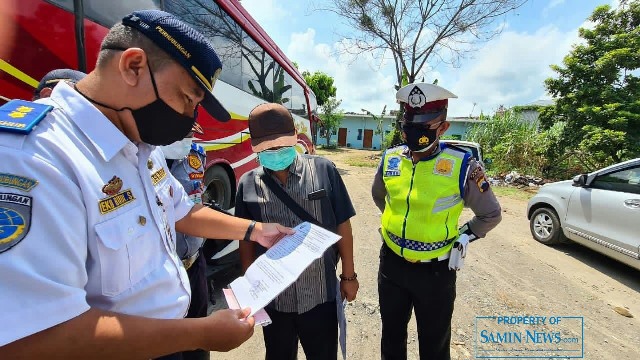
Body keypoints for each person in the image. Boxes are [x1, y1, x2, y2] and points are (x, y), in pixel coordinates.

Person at [0, 10, 294, 360]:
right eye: (187, 98)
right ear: (133, 66)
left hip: (171, 338)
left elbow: (182, 211)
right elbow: (32, 337)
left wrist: (256, 230)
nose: (189, 118)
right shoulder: (35, 157)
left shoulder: (138, 143)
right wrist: (202, 332)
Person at [372, 83, 502, 360]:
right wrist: (398, 225)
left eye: (425, 126)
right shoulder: (391, 159)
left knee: (434, 344)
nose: (414, 132)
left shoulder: (463, 166)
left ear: (443, 127)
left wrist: (463, 236)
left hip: (436, 273)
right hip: (392, 265)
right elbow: (380, 197)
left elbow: (490, 214)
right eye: (409, 123)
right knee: (391, 337)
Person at [236, 103, 359, 360]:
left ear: (294, 136)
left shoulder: (324, 170)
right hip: (276, 301)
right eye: (267, 147)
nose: (276, 151)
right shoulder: (247, 183)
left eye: (281, 143)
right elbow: (246, 238)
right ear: (254, 146)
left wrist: (348, 276)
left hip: (319, 295)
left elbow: (342, 224)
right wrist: (251, 287)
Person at [159, 122, 210, 360]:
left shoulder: (196, 156)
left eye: (191, 134)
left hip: (194, 264)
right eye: (184, 133)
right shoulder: (142, 159)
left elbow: (192, 207)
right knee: (169, 346)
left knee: (200, 342)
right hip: (164, 275)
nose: (188, 140)